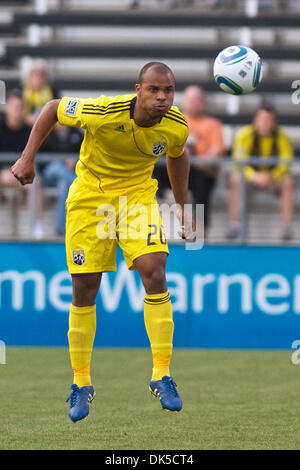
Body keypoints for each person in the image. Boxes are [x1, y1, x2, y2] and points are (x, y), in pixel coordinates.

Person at [11, 62, 195, 422]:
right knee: (85, 289)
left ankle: (162, 374)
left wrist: (183, 207)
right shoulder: (102, 111)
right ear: (138, 89)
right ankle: (81, 383)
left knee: (155, 271)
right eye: (154, 90)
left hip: (137, 198)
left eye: (168, 91)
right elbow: (51, 109)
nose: (161, 97)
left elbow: (178, 154)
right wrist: (27, 156)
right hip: (90, 200)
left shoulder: (176, 125)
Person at [227, 103, 295, 241]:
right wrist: (254, 176)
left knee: (287, 181)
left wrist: (271, 176)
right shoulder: (244, 134)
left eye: (269, 120)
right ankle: (234, 225)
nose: (266, 123)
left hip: (272, 179)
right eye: (263, 119)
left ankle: (287, 228)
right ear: (256, 120)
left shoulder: (282, 136)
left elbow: (286, 161)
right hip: (250, 179)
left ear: (274, 122)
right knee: (235, 179)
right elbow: (238, 161)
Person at [181, 85, 225, 231]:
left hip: (199, 170)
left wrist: (200, 161)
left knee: (202, 182)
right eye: (191, 100)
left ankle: (200, 230)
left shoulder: (212, 124)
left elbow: (217, 149)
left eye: (198, 100)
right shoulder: (174, 121)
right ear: (184, 101)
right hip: (174, 168)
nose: (194, 103)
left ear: (204, 102)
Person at [43, 123, 82, 236]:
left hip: (69, 173)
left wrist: (75, 161)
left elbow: (85, 154)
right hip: (49, 173)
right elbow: (41, 157)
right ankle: (78, 185)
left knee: (64, 185)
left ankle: (60, 228)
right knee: (58, 166)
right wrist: (64, 161)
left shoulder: (76, 134)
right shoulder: (47, 133)